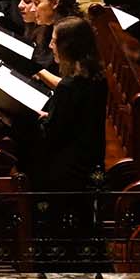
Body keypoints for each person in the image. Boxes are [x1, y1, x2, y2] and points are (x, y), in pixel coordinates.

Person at [32, 16, 107, 192]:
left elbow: (51, 134)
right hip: (92, 156)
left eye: (54, 41)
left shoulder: (69, 86)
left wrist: (37, 119)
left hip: (70, 167)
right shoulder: (97, 75)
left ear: (69, 46)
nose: (51, 46)